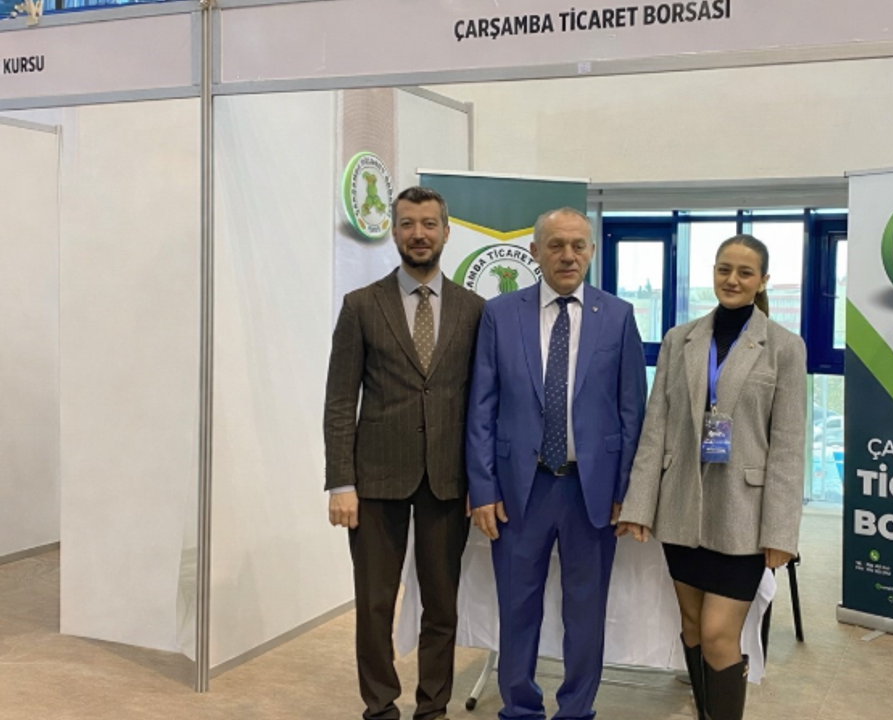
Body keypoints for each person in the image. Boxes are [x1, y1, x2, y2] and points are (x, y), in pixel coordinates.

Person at [467, 207, 648, 720]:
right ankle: (520, 708)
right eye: (556, 245)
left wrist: (627, 491)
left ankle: (576, 710)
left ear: (591, 251)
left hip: (591, 492)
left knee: (586, 613)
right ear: (535, 252)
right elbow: (481, 408)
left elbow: (632, 411)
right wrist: (483, 489)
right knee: (516, 607)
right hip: (519, 490)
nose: (568, 255)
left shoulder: (618, 315)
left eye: (578, 245)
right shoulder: (500, 314)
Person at [617, 234, 806, 720]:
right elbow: (655, 428)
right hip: (681, 506)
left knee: (720, 635)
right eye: (724, 269)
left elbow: (788, 448)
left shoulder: (784, 347)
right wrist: (639, 504)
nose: (732, 280)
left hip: (744, 516)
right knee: (693, 626)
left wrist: (781, 532)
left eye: (745, 272)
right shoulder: (680, 339)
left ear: (763, 280)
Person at [324, 186, 486, 720]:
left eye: (429, 224)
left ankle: (432, 707)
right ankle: (380, 706)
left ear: (446, 231)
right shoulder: (360, 306)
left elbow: (483, 403)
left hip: (448, 479)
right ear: (394, 232)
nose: (419, 234)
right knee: (374, 605)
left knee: (441, 605)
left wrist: (482, 482)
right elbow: (340, 400)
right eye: (408, 224)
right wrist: (340, 483)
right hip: (374, 480)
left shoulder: (474, 310)